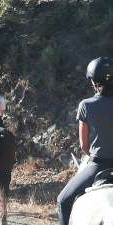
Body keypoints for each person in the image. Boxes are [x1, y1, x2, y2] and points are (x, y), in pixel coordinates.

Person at [57, 57, 113, 225]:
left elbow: (84, 146)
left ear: (93, 81)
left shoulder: (86, 105)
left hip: (98, 165)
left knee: (63, 201)